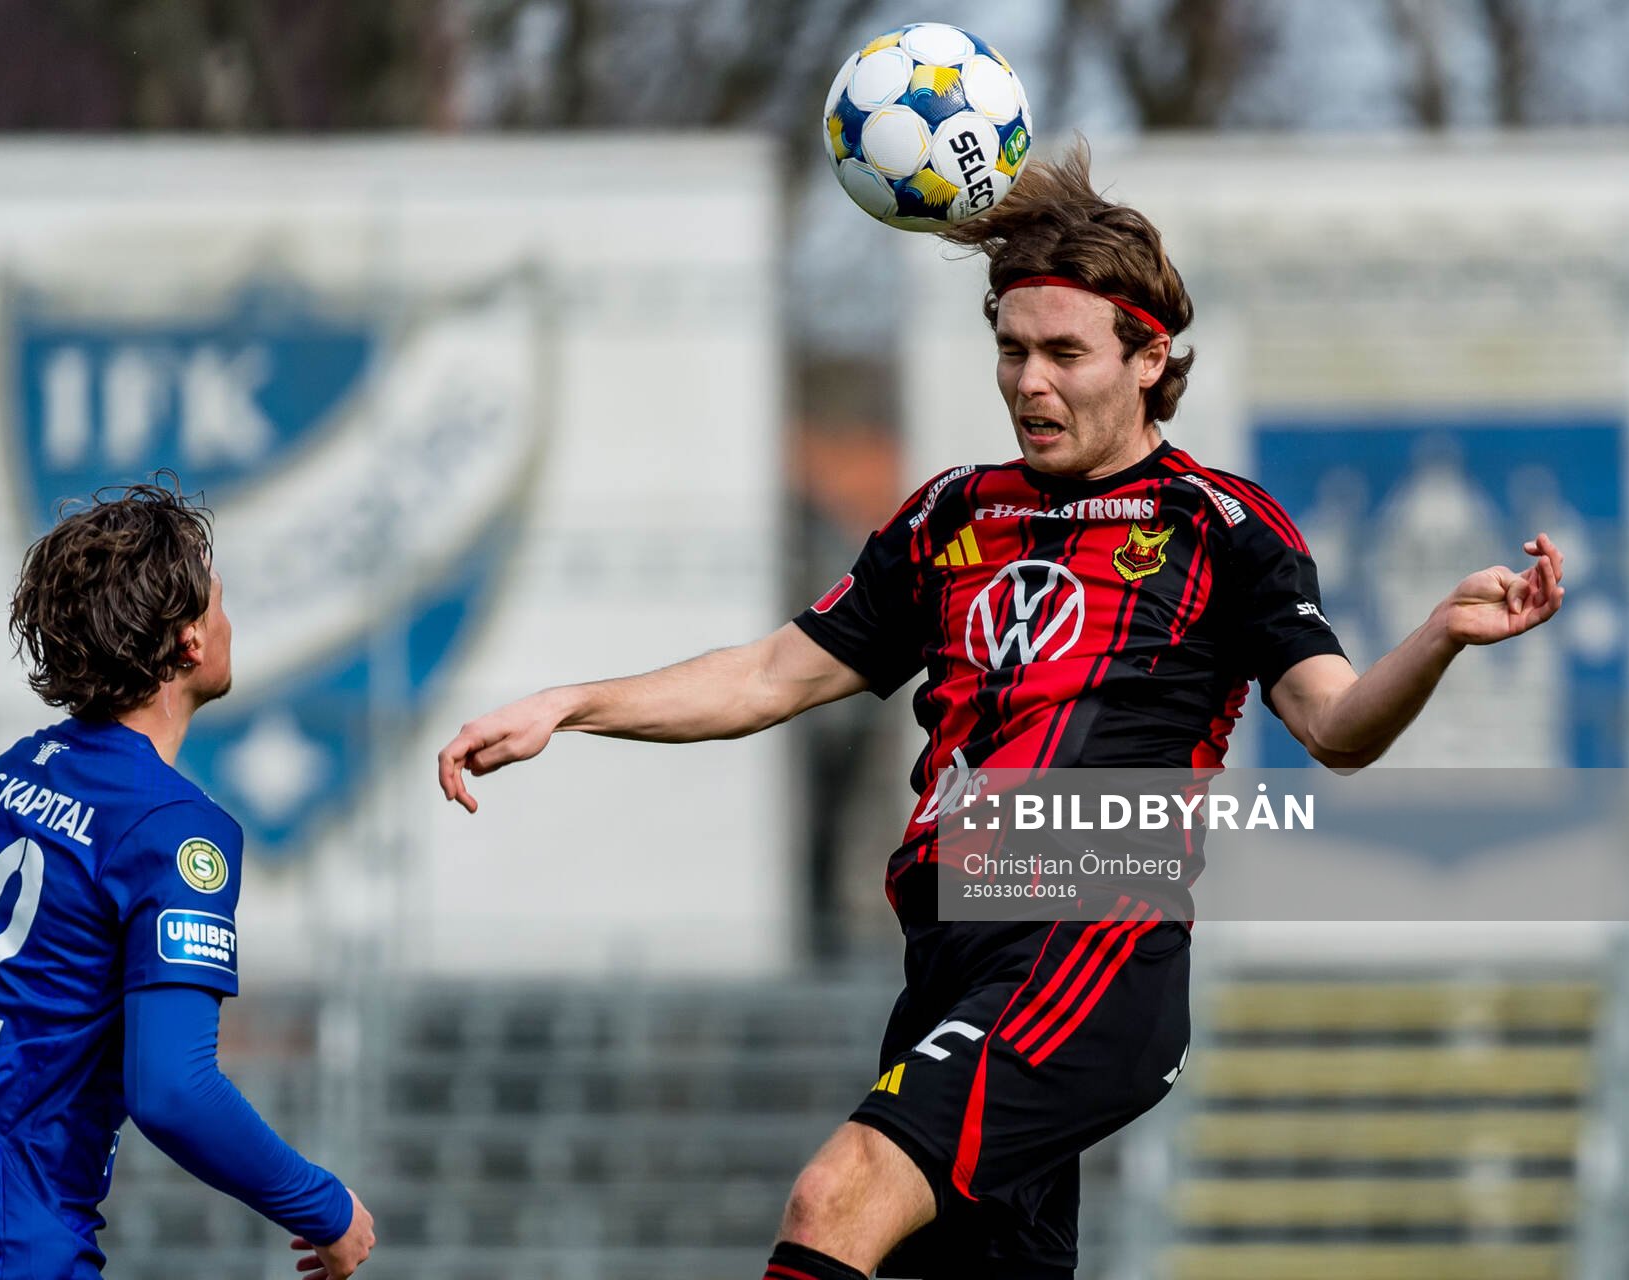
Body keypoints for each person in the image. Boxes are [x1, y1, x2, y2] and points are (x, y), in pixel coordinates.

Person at [434, 143, 1565, 1280]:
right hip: (949, 952)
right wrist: (573, 703)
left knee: (834, 1198)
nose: (1029, 381)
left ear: (1145, 356)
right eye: (1011, 350)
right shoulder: (948, 516)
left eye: (1064, 352)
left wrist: (1434, 639)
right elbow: (771, 674)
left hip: (1089, 935)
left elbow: (1334, 725)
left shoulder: (1218, 523)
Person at [0, 480, 376, 1280]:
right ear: (190, 642)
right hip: (8, 1253)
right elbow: (173, 1090)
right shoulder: (170, 826)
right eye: (220, 602)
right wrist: (325, 1208)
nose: (230, 621)